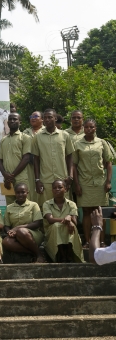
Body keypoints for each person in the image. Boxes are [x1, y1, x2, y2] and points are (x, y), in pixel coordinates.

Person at [73, 118, 112, 246]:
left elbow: (108, 163)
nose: (89, 129)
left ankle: (101, 241)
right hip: (84, 182)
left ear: (95, 128)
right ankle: (88, 241)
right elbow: (74, 165)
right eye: (87, 127)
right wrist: (77, 184)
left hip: (100, 183)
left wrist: (108, 181)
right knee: (86, 212)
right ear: (84, 128)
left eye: (92, 127)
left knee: (100, 212)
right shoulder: (77, 144)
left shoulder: (102, 143)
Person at [32, 109, 74, 206]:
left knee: (65, 208)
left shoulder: (65, 135)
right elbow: (36, 159)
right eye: (45, 117)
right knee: (46, 208)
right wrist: (37, 180)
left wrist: (70, 176)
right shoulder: (37, 137)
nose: (47, 120)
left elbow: (70, 156)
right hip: (45, 181)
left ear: (55, 118)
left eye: (50, 117)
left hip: (62, 179)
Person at [42, 180, 85, 263]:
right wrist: (67, 220)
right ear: (52, 190)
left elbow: (75, 221)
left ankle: (69, 254)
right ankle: (62, 255)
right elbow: (50, 220)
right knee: (56, 226)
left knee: (71, 226)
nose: (57, 189)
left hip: (68, 230)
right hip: (52, 233)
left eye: (60, 187)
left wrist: (70, 218)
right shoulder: (47, 204)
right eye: (54, 188)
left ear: (65, 189)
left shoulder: (72, 204)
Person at [2, 183, 46, 263]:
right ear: (15, 193)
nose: (20, 195)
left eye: (23, 192)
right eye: (18, 192)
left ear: (27, 193)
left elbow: (37, 223)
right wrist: (9, 232)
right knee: (6, 241)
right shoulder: (9, 207)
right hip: (15, 235)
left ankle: (39, 255)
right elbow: (6, 225)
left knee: (22, 231)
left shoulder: (33, 205)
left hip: (32, 234)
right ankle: (34, 253)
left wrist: (17, 228)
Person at [0, 113, 32, 205]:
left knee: (25, 206)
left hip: (21, 179)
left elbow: (26, 159)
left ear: (20, 122)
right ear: (7, 122)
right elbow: (0, 160)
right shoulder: (3, 140)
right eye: (10, 119)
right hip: (7, 181)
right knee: (10, 206)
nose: (12, 121)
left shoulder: (25, 138)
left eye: (15, 119)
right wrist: (5, 175)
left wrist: (11, 176)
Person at [23, 111, 44, 203]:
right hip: (29, 167)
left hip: (43, 166)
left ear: (42, 119)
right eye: (31, 116)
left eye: (36, 116)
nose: (33, 118)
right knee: (31, 189)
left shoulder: (46, 132)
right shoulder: (25, 132)